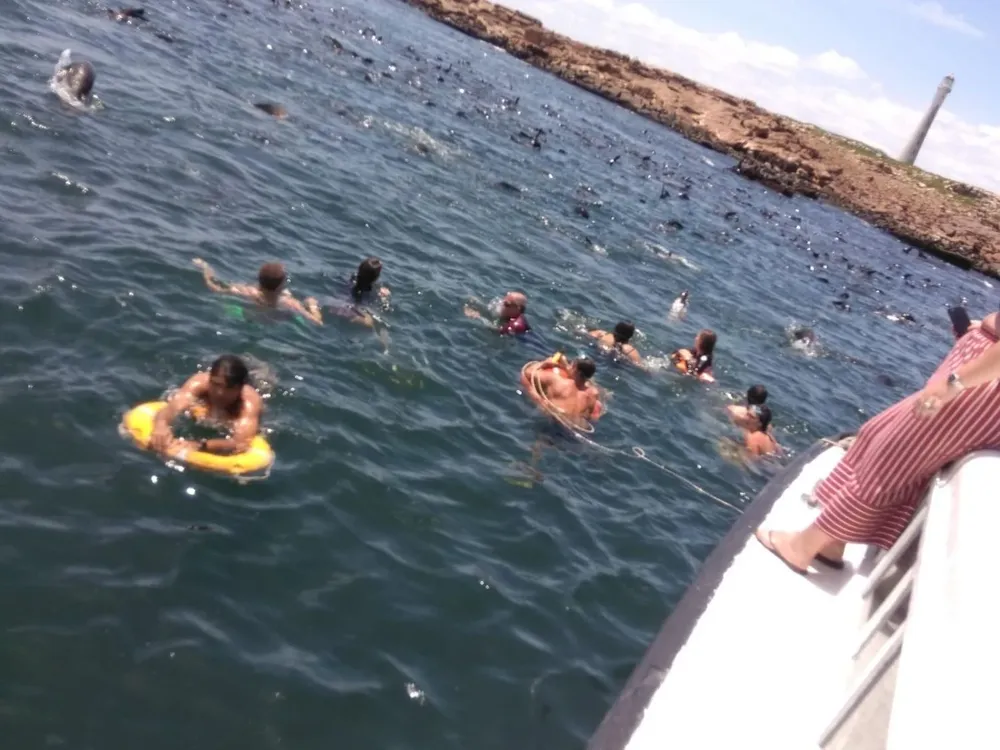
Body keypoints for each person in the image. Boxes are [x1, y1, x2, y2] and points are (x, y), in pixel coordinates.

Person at [754, 311, 1000, 575]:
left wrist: (954, 384)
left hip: (977, 389)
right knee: (875, 436)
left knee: (890, 463)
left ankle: (804, 546)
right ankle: (833, 541)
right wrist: (984, 330)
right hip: (979, 376)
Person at [149, 355, 263, 456]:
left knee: (261, 377)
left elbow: (240, 443)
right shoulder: (198, 384)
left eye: (229, 388)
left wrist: (201, 446)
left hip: (253, 383)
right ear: (209, 379)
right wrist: (161, 425)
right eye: (215, 384)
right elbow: (172, 407)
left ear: (240, 388)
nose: (220, 392)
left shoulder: (249, 403)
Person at [193, 258, 322, 324]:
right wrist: (312, 305)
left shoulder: (246, 291)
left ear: (259, 281)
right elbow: (317, 322)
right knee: (292, 317)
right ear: (281, 285)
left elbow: (213, 287)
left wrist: (205, 268)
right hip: (274, 323)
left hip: (249, 316)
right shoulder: (290, 303)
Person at [520, 355, 603, 427]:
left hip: (552, 421)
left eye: (572, 366)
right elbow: (593, 417)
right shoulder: (593, 394)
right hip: (573, 428)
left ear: (576, 371)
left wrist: (544, 363)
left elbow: (527, 372)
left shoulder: (557, 381)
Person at [464, 291, 531, 335]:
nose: (502, 305)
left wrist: (478, 317)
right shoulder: (515, 316)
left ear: (518, 308)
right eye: (503, 301)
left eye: (506, 304)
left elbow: (497, 332)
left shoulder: (517, 325)